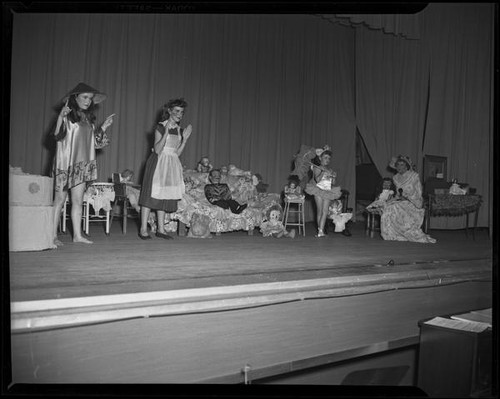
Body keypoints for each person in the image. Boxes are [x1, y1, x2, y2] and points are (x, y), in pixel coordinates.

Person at [51, 82, 114, 246]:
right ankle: (51, 236)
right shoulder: (66, 115)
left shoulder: (88, 120)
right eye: (85, 97)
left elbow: (95, 144)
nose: (88, 101)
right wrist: (60, 117)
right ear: (75, 97)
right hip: (65, 165)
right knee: (59, 200)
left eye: (90, 98)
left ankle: (77, 235)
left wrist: (103, 128)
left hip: (81, 166)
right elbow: (56, 136)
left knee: (78, 201)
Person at [138, 98, 192, 240]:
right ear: (169, 111)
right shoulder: (160, 127)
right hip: (157, 162)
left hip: (171, 164)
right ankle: (143, 229)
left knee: (164, 195)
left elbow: (177, 153)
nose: (180, 114)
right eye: (177, 111)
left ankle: (161, 229)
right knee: (150, 196)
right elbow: (157, 149)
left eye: (182, 112)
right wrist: (166, 131)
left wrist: (185, 139)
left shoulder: (180, 130)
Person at [380, 155, 436, 243]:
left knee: (394, 207)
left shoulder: (414, 176)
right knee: (387, 206)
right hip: (400, 201)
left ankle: (407, 233)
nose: (399, 167)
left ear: (407, 166)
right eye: (398, 165)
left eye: (402, 165)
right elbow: (395, 193)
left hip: (413, 203)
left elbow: (418, 192)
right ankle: (392, 234)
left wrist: (408, 197)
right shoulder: (395, 178)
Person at [305, 149, 342, 237]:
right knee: (320, 211)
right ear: (320, 158)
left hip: (327, 191)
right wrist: (323, 172)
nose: (327, 160)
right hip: (318, 190)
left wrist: (333, 177)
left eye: (329, 158)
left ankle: (321, 231)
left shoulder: (330, 170)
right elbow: (317, 180)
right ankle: (320, 230)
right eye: (325, 157)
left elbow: (332, 183)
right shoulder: (317, 168)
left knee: (325, 211)